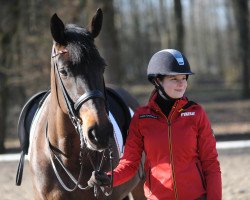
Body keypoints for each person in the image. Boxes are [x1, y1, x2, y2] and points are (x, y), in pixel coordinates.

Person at [88, 49, 222, 200]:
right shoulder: (141, 118)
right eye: (174, 78)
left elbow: (211, 163)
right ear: (157, 81)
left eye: (184, 78)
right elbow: (130, 163)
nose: (181, 84)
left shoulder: (196, 114)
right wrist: (109, 178)